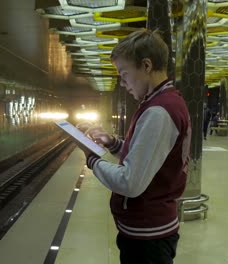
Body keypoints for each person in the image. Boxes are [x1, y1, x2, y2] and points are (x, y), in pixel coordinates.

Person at [77, 29, 191, 264]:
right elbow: (150, 159)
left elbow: (130, 182)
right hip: (151, 231)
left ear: (146, 66)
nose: (123, 82)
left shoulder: (159, 111)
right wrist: (113, 143)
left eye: (124, 73)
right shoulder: (162, 102)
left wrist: (91, 158)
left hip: (148, 239)